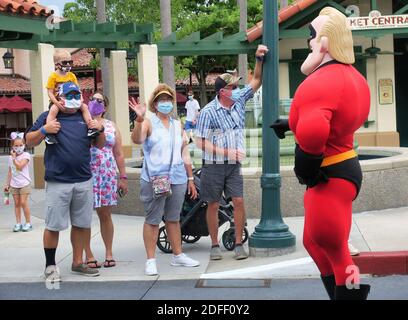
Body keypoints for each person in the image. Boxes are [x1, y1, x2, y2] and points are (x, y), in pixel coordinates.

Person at [271, 7, 370, 300]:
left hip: (329, 173)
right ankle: (339, 295)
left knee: (333, 246)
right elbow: (337, 118)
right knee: (315, 242)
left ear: (325, 42)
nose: (309, 42)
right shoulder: (354, 78)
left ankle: (348, 297)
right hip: (342, 167)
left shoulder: (319, 81)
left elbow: (315, 133)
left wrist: (307, 168)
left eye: (311, 36)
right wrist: (292, 122)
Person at [25, 82, 106, 283]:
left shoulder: (85, 117)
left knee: (81, 224)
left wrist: (100, 129)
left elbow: (100, 144)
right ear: (59, 97)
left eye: (76, 95)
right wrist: (45, 129)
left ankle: (78, 262)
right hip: (57, 181)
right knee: (53, 225)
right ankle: (50, 266)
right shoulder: (48, 116)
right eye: (69, 95)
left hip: (83, 180)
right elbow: (29, 140)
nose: (73, 99)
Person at [195, 44, 268, 261]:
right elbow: (200, 143)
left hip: (233, 166)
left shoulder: (237, 101)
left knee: (238, 201)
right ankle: (214, 244)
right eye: (233, 86)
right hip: (214, 165)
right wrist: (226, 152)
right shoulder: (209, 112)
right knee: (213, 203)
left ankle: (238, 244)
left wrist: (259, 59)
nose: (237, 88)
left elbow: (256, 80)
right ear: (222, 92)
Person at [129, 83, 200, 276]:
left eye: (168, 99)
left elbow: (184, 151)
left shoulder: (178, 125)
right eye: (162, 100)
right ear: (155, 103)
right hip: (155, 178)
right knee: (152, 220)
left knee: (174, 219)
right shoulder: (148, 122)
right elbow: (136, 140)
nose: (166, 103)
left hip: (177, 177)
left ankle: (178, 255)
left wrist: (190, 177)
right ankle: (150, 260)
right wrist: (138, 120)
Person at [83, 92, 128, 269]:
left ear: (105, 106)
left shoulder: (111, 126)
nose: (95, 103)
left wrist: (123, 177)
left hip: (107, 175)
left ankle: (109, 252)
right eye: (92, 99)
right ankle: (88, 254)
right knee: (83, 216)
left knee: (105, 215)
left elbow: (118, 153)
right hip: (86, 173)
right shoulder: (82, 123)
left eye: (99, 100)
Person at [45, 49, 96, 144]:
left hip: (72, 99)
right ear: (57, 64)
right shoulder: (53, 76)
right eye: (65, 62)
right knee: (53, 110)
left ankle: (91, 127)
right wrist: (56, 103)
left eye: (70, 62)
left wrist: (81, 100)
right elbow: (50, 92)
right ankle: (49, 134)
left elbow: (78, 90)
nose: (68, 65)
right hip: (58, 100)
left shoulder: (72, 76)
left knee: (84, 107)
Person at [4, 132, 32, 232]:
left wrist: (14, 158)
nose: (19, 147)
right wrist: (7, 184)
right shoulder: (10, 158)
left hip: (24, 183)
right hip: (14, 184)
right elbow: (10, 171)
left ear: (24, 145)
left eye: (21, 145)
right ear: (12, 146)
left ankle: (28, 223)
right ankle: (18, 223)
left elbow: (20, 166)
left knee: (24, 203)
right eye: (16, 145)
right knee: (16, 204)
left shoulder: (26, 155)